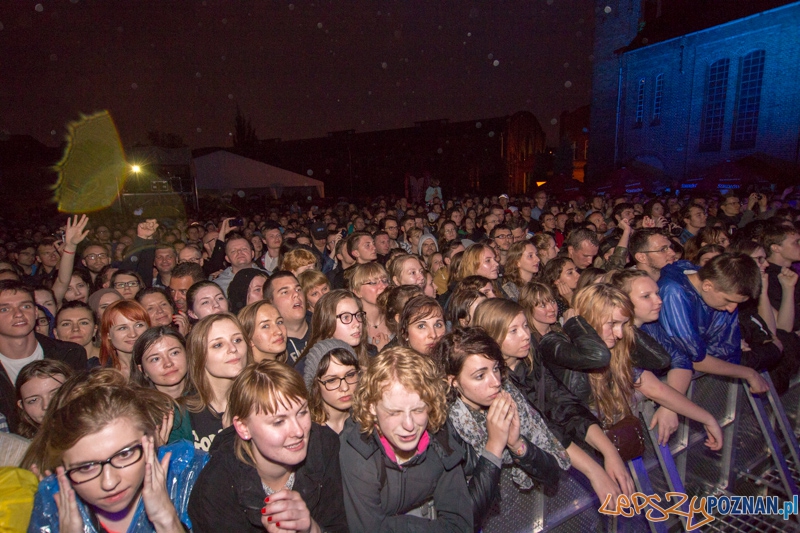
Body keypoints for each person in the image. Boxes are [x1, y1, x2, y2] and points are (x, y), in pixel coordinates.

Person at [473, 298, 635, 507]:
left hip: (552, 470)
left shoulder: (529, 357)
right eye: (513, 331)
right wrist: (594, 471)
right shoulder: (492, 383)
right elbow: (542, 430)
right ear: (492, 336)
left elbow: (563, 404)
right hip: (516, 494)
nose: (525, 335)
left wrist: (609, 451)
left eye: (524, 326)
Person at [540, 284, 724, 451]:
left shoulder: (614, 351)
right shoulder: (555, 344)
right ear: (588, 319)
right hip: (572, 453)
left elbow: (659, 369)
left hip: (605, 449)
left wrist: (707, 419)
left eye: (623, 325)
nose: (619, 334)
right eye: (612, 323)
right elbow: (596, 357)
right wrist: (575, 322)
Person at [27, 371, 208, 533]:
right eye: (86, 467)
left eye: (124, 455)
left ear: (151, 439)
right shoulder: (52, 501)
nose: (109, 482)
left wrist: (168, 523)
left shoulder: (190, 473)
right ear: (62, 467)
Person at [432, 328, 571, 530]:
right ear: (453, 381)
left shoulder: (509, 397)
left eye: (495, 369)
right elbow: (463, 520)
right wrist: (494, 447)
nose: (496, 382)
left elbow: (553, 474)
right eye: (480, 376)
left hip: (528, 517)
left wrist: (518, 444)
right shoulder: (442, 425)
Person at [188, 359, 348, 532]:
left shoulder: (324, 446)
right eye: (279, 422)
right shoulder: (217, 487)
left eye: (302, 412)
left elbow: (337, 524)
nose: (298, 431)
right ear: (243, 427)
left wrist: (311, 529)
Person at [339, 347, 473, 531]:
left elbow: (461, 526)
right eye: (395, 412)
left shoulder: (440, 440)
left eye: (418, 410)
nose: (409, 425)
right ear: (372, 407)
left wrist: (394, 524)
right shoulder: (358, 449)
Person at [186, 313, 251, 452]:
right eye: (218, 345)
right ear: (199, 355)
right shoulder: (181, 415)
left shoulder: (259, 401)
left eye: (238, 340)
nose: (233, 348)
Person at [130, 326, 194, 444]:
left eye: (174, 353)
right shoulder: (139, 414)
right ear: (142, 370)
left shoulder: (211, 395)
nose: (168, 363)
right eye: (155, 359)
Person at [296, 290, 371, 376]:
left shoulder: (371, 354)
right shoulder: (306, 369)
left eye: (358, 315)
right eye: (346, 317)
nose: (357, 323)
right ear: (327, 323)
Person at [303, 339, 360, 434]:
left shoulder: (371, 420)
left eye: (350, 375)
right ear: (315, 385)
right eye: (332, 380)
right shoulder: (308, 432)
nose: (345, 387)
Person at [14, 359, 73, 438]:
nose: (46, 405)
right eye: (33, 400)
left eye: (55, 393)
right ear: (22, 406)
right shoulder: (19, 447)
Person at [264, 272, 310, 366]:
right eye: (285, 292)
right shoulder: (270, 346)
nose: (296, 294)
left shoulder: (326, 328)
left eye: (298, 289)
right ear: (270, 303)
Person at [99, 300, 151, 378]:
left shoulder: (163, 366)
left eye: (139, 325)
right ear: (108, 334)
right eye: (122, 328)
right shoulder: (103, 377)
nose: (133, 334)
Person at [350, 262, 392, 349]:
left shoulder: (395, 317)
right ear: (357, 292)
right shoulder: (353, 326)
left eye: (385, 281)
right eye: (373, 282)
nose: (383, 286)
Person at [540, 257, 580, 321]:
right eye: (570, 273)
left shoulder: (582, 293)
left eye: (576, 270)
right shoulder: (555, 303)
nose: (578, 275)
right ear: (556, 280)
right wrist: (570, 299)